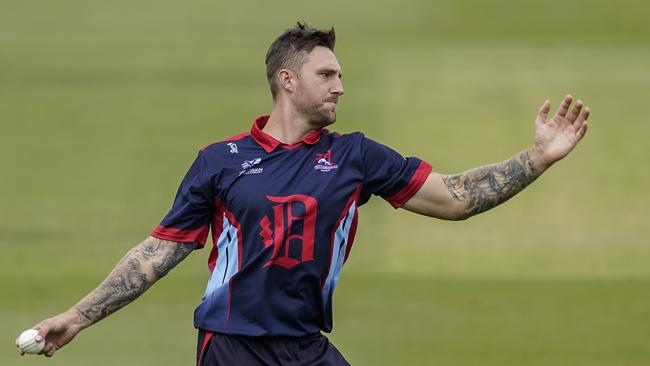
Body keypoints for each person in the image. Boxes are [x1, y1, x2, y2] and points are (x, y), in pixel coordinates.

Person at [17, 22, 590, 365]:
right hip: (231, 348)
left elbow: (456, 197)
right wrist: (78, 316)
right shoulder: (220, 161)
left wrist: (537, 157)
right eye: (327, 75)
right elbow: (158, 252)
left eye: (341, 76)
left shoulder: (355, 156)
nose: (341, 85)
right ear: (287, 81)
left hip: (305, 346)